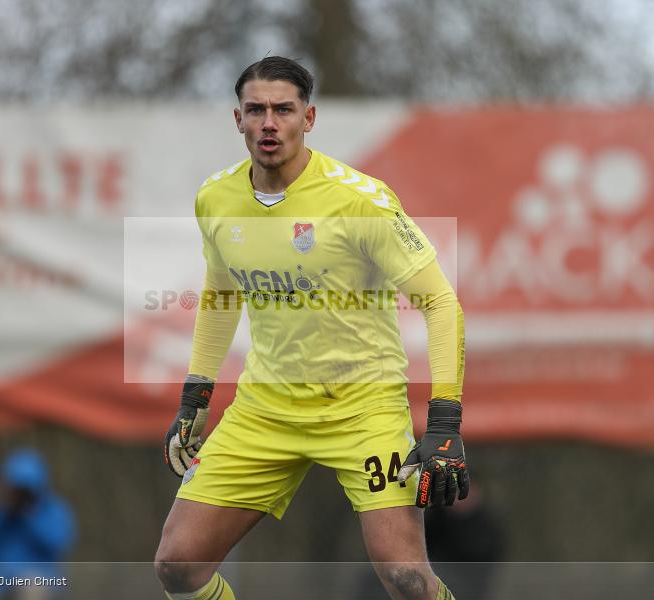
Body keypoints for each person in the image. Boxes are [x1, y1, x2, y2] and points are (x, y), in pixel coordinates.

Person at [155, 56, 467, 600]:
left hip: (362, 407)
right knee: (178, 565)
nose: (269, 123)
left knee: (407, 580)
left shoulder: (359, 200)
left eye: (283, 109)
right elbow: (222, 292)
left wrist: (444, 421)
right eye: (256, 109)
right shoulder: (216, 198)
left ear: (310, 117)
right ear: (238, 120)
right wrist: (195, 395)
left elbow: (441, 302)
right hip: (266, 408)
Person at [0, 449, 76, 599]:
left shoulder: (53, 510)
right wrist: (0, 514)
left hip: (42, 579)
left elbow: (58, 543)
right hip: (0, 580)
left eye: (24, 490)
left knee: (31, 590)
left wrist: (30, 515)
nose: (18, 495)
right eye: (15, 489)